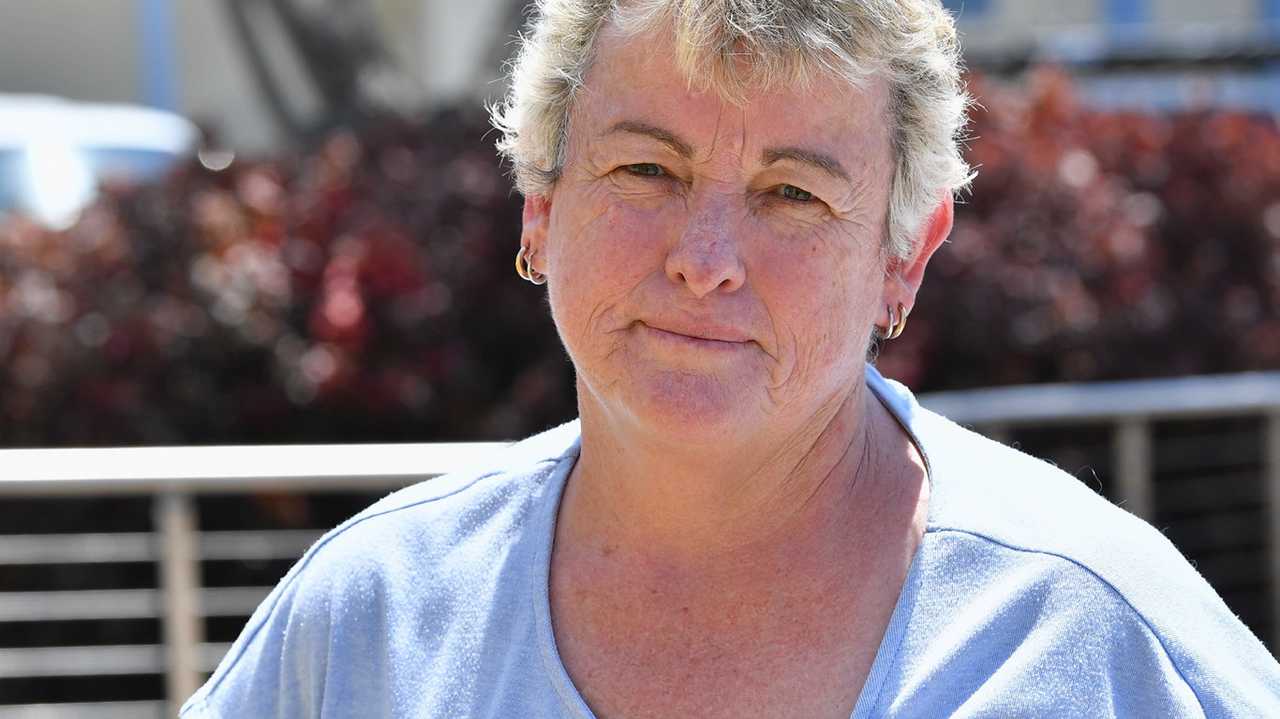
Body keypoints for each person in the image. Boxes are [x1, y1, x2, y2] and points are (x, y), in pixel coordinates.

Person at [181, 1, 1280, 717]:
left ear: (904, 255)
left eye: (791, 195)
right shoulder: (370, 614)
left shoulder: (1088, 636)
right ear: (541, 205)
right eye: (645, 171)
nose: (704, 260)